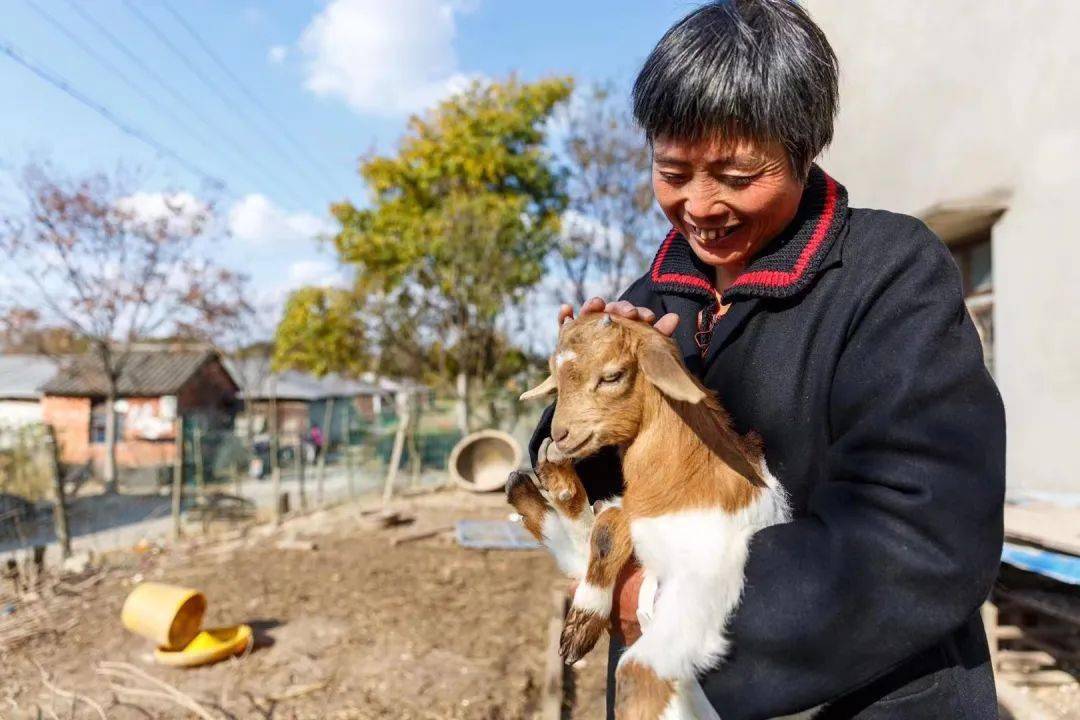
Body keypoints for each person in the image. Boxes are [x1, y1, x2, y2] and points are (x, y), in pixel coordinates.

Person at [529, 1, 1005, 718]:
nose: (699, 204)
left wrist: (657, 603)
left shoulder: (889, 276)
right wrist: (585, 377)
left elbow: (922, 534)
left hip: (871, 695)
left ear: (805, 146)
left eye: (737, 173)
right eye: (673, 170)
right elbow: (577, 474)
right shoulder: (648, 300)